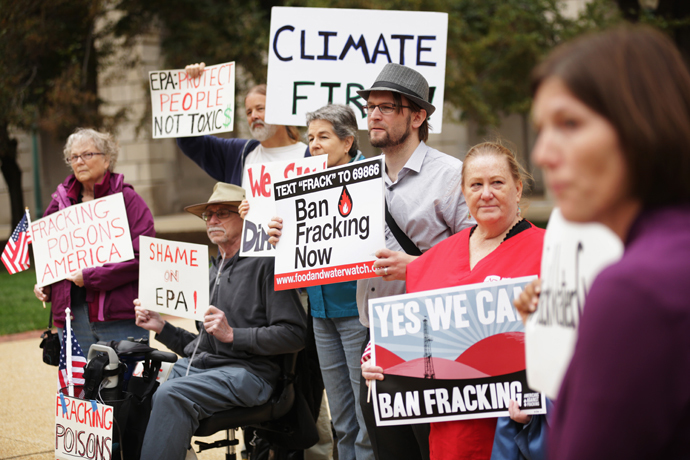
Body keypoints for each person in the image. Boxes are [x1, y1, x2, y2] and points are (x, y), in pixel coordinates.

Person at [517, 26, 690, 459]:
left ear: (643, 124)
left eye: (570, 123)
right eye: (542, 128)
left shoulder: (636, 289)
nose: (541, 153)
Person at [363, 142, 547, 460]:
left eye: (497, 182)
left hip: (515, 435)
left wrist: (541, 405)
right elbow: (407, 333)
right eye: (476, 184)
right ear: (463, 192)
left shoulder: (548, 251)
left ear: (517, 189)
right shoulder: (437, 256)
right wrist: (376, 358)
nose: (485, 193)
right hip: (447, 438)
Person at [134, 182, 307, 460]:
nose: (212, 220)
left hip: (251, 375)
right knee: (137, 388)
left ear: (245, 216)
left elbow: (294, 335)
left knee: (171, 395)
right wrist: (161, 327)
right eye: (208, 215)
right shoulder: (212, 271)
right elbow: (203, 347)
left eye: (223, 213)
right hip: (209, 370)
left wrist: (233, 335)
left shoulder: (267, 264)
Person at [356, 63, 475, 460]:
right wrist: (287, 239)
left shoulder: (450, 176)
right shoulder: (357, 178)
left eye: (386, 106)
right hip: (374, 337)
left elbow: (479, 252)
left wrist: (417, 267)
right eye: (369, 105)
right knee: (389, 450)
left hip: (434, 338)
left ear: (418, 115)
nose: (373, 114)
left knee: (432, 449)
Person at [257, 104, 373, 460]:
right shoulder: (302, 186)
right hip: (320, 313)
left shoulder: (369, 180)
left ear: (348, 141)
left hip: (357, 312)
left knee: (365, 416)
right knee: (341, 417)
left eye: (323, 136)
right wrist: (280, 236)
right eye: (310, 138)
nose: (314, 145)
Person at [33, 128, 154, 352]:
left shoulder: (128, 200)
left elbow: (143, 257)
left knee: (127, 384)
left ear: (107, 159)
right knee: (79, 385)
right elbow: (48, 258)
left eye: (88, 155)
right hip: (72, 318)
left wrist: (91, 277)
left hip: (118, 317)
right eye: (74, 157)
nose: (79, 162)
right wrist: (45, 285)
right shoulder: (59, 204)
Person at [177, 63, 309, 188]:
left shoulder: (309, 156)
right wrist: (193, 86)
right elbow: (190, 141)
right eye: (249, 112)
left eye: (260, 108)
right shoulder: (238, 154)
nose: (254, 116)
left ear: (279, 112)